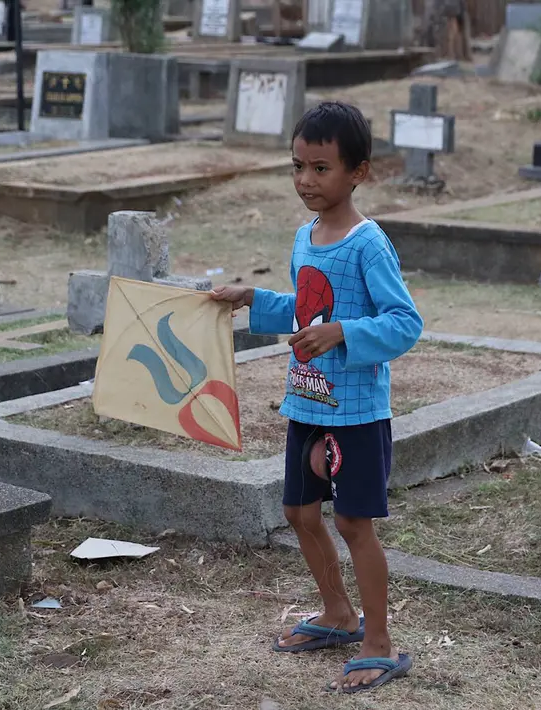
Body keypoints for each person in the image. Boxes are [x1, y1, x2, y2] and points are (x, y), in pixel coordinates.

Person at [209, 101, 423, 694]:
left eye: (321, 168)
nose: (305, 180)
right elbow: (307, 308)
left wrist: (346, 333)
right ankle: (338, 615)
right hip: (305, 402)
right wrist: (253, 298)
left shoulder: (367, 244)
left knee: (355, 522)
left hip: (355, 413)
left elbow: (405, 323)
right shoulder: (305, 235)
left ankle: (379, 642)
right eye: (297, 166)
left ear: (359, 172)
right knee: (299, 514)